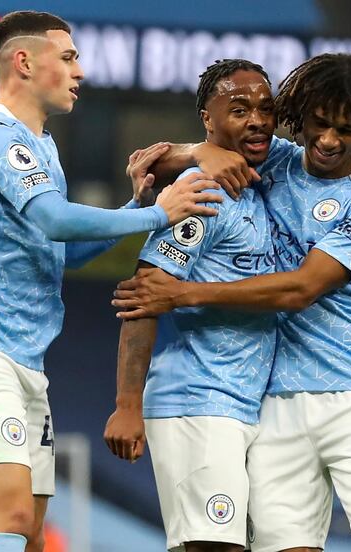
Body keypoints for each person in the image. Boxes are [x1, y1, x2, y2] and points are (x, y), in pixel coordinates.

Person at [0, 11, 223, 552]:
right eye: (68, 58)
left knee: (33, 535)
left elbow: (64, 252)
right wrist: (157, 216)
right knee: (9, 517)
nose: (79, 72)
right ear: (24, 62)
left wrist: (136, 204)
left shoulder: (43, 149)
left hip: (25, 359)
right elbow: (55, 220)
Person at [113, 53, 351, 552]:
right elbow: (157, 159)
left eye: (344, 130)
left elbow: (301, 288)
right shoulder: (276, 160)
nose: (328, 140)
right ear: (299, 118)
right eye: (319, 124)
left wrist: (183, 294)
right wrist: (199, 152)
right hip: (274, 404)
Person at [103, 59, 278, 552]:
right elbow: (147, 292)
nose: (257, 120)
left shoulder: (266, 185)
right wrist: (126, 406)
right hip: (197, 400)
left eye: (266, 108)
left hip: (249, 404)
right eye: (239, 109)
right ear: (208, 118)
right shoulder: (202, 192)